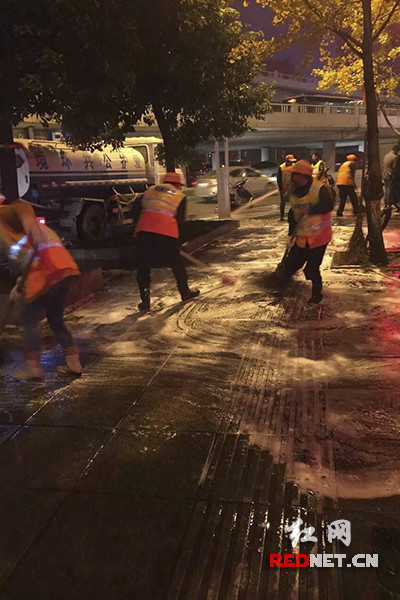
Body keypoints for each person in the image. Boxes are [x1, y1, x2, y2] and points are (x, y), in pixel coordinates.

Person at [0, 195, 82, 379]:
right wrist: (18, 285)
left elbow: (21, 206)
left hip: (44, 274)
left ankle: (33, 368)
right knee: (56, 320)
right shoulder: (23, 226)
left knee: (30, 321)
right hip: (64, 269)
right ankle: (74, 363)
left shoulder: (5, 214)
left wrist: (21, 285)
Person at [133, 172, 200, 312]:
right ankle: (185, 293)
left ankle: (145, 302)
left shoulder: (150, 190)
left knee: (143, 266)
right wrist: (178, 241)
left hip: (144, 231)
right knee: (177, 264)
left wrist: (137, 228)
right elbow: (180, 221)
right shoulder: (179, 196)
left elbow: (136, 209)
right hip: (167, 232)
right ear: (176, 184)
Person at [277, 160, 334, 304]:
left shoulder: (320, 189)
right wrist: (291, 233)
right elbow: (293, 212)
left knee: (311, 269)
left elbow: (328, 205)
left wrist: (310, 210)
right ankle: (279, 289)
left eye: (294, 174)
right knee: (290, 265)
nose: (291, 177)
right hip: (302, 237)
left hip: (319, 238)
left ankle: (316, 294)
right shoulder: (295, 190)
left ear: (302, 176)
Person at [277, 154, 297, 221]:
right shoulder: (281, 167)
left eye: (292, 161)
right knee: (283, 202)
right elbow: (279, 179)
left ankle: (294, 215)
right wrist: (281, 189)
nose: (291, 163)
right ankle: (282, 216)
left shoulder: (294, 166)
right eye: (290, 161)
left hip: (292, 187)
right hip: (283, 187)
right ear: (287, 161)